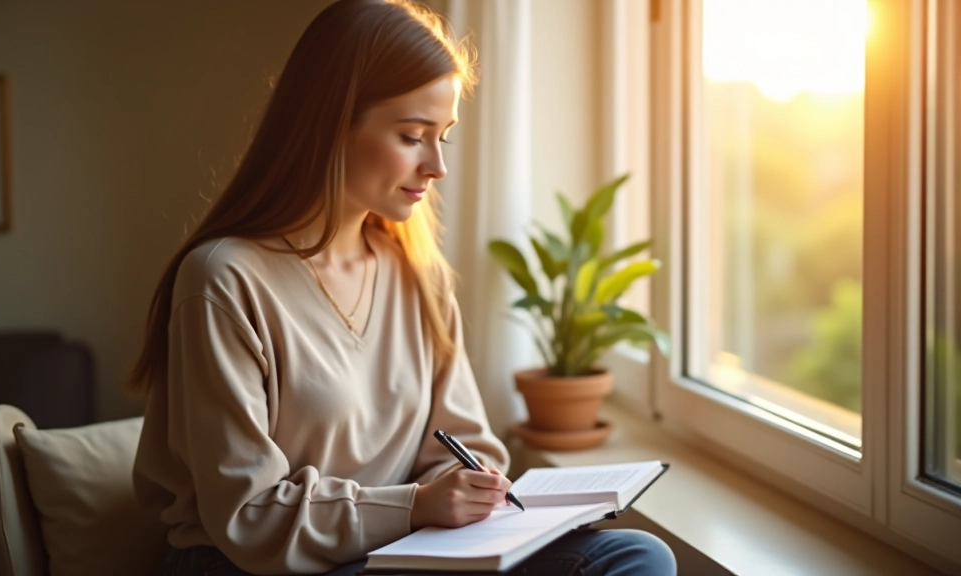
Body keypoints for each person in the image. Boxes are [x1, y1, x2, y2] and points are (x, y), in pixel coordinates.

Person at [128, 1, 678, 575]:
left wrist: (465, 490)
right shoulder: (223, 279)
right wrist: (415, 507)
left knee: (634, 557)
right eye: (413, 136)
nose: (437, 165)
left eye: (444, 137)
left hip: (397, 552)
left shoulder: (418, 274)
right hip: (254, 565)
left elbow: (468, 445)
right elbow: (250, 515)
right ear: (330, 123)